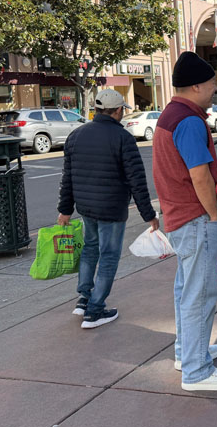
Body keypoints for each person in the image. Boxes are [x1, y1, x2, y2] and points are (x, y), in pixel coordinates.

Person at [153, 51, 217, 392]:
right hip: (196, 218)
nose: (214, 91)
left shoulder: (169, 115)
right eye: (213, 85)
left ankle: (187, 351)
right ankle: (196, 369)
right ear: (196, 85)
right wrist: (215, 217)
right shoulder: (188, 120)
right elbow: (200, 176)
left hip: (178, 217)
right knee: (199, 295)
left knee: (185, 290)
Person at [57, 89, 158, 329]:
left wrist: (65, 209)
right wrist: (149, 215)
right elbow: (137, 180)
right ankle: (95, 310)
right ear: (117, 111)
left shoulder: (76, 135)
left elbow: (67, 177)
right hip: (112, 208)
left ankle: (84, 298)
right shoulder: (123, 138)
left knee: (90, 249)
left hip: (86, 207)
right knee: (109, 256)